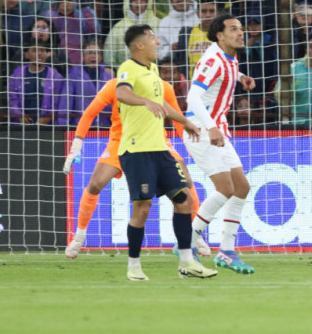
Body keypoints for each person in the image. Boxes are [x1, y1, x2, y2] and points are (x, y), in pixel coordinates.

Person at [62, 75, 210, 259]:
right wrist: (76, 145)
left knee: (185, 181)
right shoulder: (114, 86)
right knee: (95, 184)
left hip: (156, 141)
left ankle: (194, 235)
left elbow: (177, 119)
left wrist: (192, 148)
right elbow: (90, 113)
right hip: (120, 142)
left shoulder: (164, 87)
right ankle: (79, 236)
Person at [113, 24, 214, 280]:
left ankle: (187, 262)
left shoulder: (153, 70)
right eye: (152, 38)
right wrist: (144, 100)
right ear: (139, 45)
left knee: (184, 201)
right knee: (143, 208)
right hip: (137, 150)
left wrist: (185, 121)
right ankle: (134, 266)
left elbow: (162, 105)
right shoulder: (128, 68)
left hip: (160, 149)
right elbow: (122, 93)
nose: (158, 42)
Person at [182, 14, 257, 274]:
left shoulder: (229, 56)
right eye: (233, 29)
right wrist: (211, 126)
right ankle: (188, 241)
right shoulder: (211, 59)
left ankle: (226, 252)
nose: (240, 33)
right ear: (219, 35)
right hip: (200, 129)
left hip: (217, 128)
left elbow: (227, 71)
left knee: (242, 188)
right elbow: (193, 97)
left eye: (241, 29)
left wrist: (241, 77)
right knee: (226, 188)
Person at [8, 40, 66, 125]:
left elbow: (57, 103)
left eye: (42, 50)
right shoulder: (16, 76)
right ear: (27, 55)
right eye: (35, 50)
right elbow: (12, 101)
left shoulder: (56, 77)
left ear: (47, 54)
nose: (39, 53)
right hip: (20, 127)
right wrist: (20, 115)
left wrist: (46, 118)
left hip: (47, 128)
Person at [65, 39, 114, 126]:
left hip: (106, 129)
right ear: (83, 56)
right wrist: (63, 130)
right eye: (89, 52)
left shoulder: (109, 76)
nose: (93, 56)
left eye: (96, 53)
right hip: (80, 129)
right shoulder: (73, 75)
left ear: (101, 57)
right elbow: (65, 105)